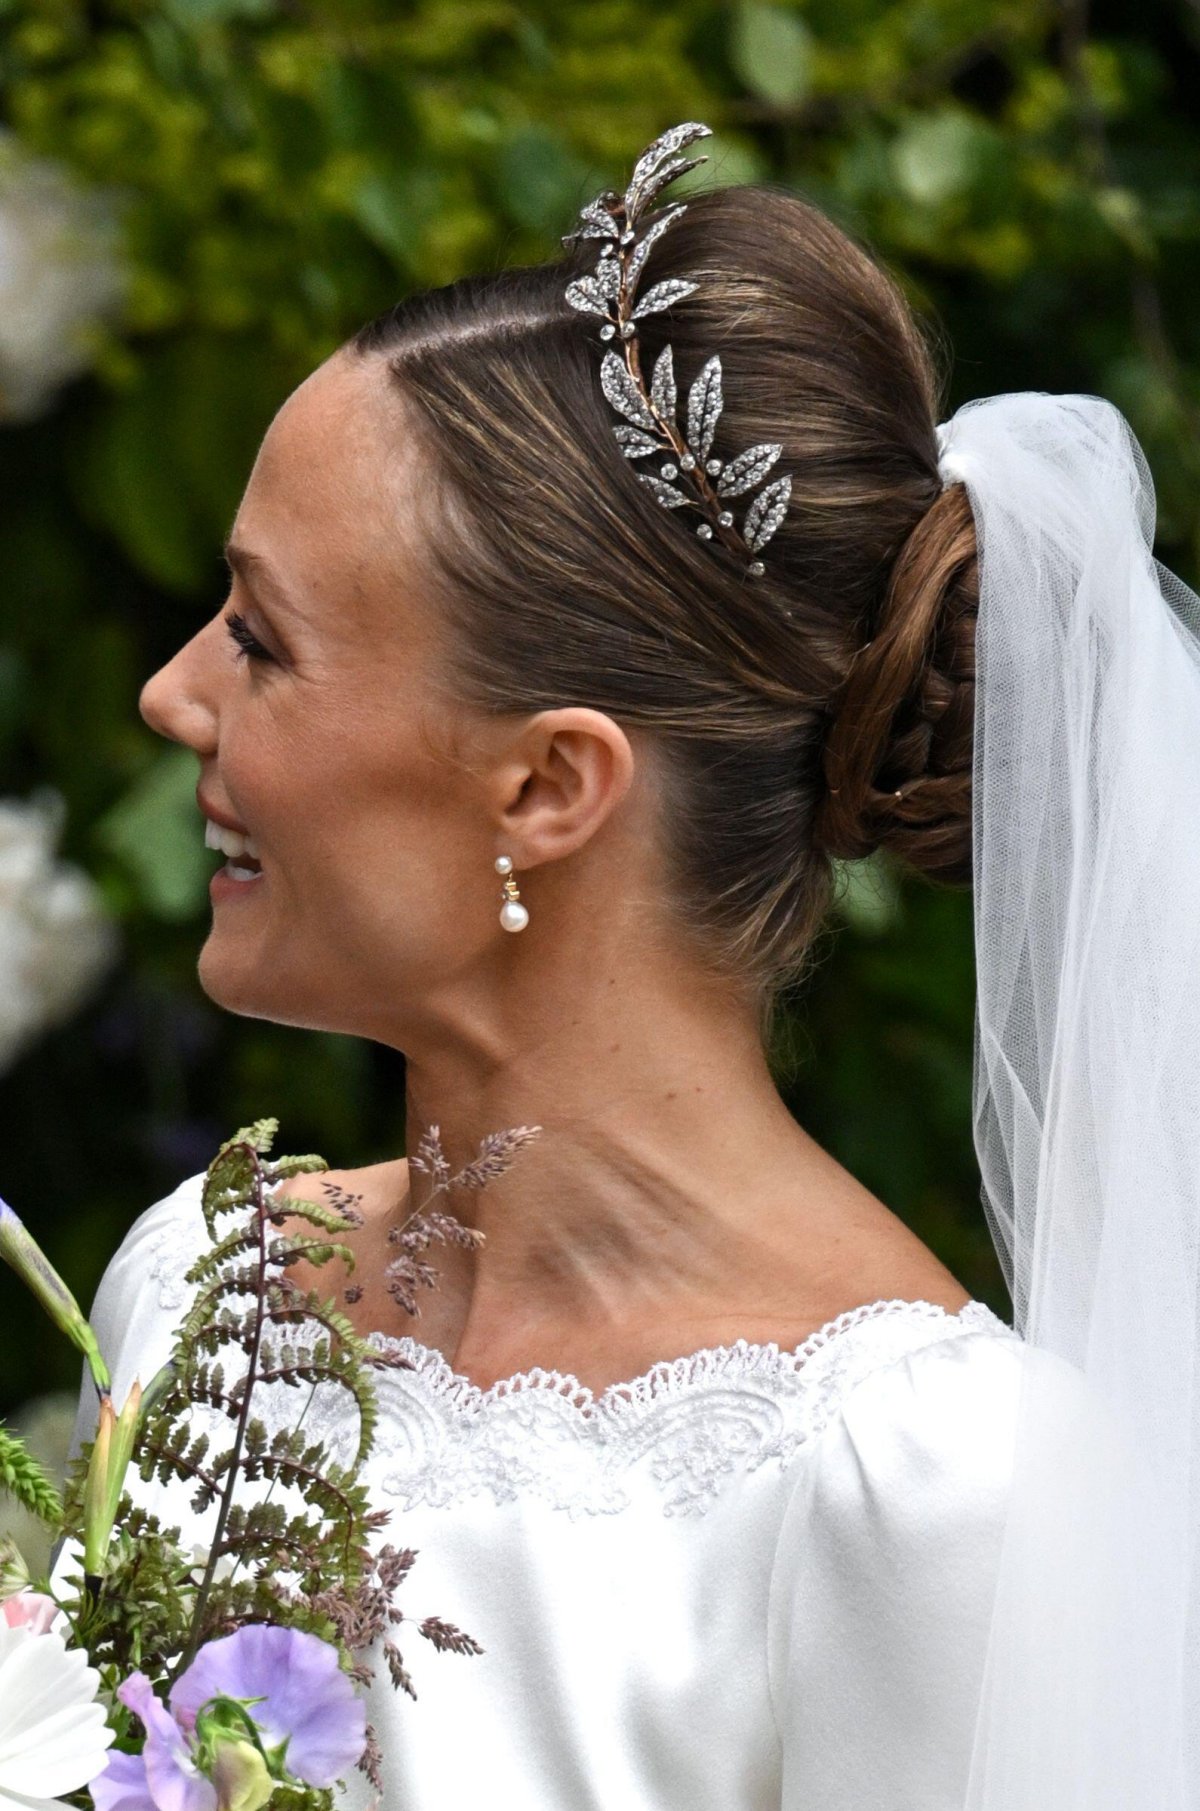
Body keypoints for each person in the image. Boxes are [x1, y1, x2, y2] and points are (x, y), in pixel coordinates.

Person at [69, 123, 1200, 1809]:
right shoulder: (209, 1293)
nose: (173, 695)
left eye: (261, 639)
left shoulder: (945, 1501)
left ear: (547, 786)